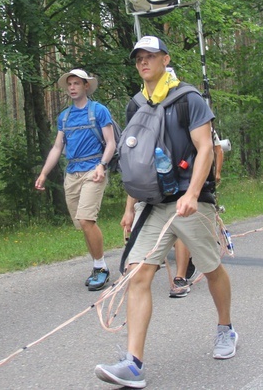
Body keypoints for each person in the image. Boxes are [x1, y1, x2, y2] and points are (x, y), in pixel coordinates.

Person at [95, 36, 236, 389]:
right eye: (139, 58)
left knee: (211, 268)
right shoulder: (135, 105)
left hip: (190, 201)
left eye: (150, 56)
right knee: (137, 275)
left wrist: (192, 194)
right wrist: (130, 206)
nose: (144, 63)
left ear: (165, 59)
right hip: (152, 204)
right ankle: (133, 362)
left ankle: (225, 329)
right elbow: (134, 158)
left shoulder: (188, 99)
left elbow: (205, 149)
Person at [35, 69, 116, 291]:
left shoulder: (99, 111)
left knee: (87, 219)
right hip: (72, 173)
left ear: (86, 86)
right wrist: (43, 173)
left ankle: (101, 267)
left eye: (76, 83)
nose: (72, 87)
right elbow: (57, 147)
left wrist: (102, 165)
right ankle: (97, 265)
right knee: (82, 223)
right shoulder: (65, 117)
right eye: (69, 84)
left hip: (94, 170)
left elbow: (111, 142)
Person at [170, 128, 224, 298]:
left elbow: (217, 149)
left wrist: (216, 173)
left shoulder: (203, 124)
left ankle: (181, 274)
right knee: (180, 229)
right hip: (172, 180)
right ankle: (183, 269)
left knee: (185, 227)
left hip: (197, 183)